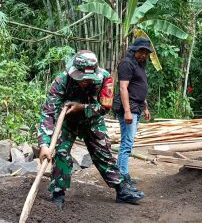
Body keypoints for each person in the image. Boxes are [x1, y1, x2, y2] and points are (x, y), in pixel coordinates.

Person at [38, 50, 144, 209]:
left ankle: (121, 190)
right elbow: (49, 112)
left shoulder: (105, 79)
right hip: (67, 122)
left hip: (93, 120)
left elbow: (105, 107)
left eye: (88, 80)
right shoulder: (61, 81)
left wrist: (82, 108)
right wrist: (44, 145)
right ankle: (58, 193)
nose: (84, 82)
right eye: (80, 79)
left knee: (103, 154)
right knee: (61, 152)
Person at [113, 37, 152, 192]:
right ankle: (122, 176)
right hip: (129, 108)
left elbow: (140, 88)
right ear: (134, 50)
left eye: (146, 52)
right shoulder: (126, 64)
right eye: (141, 51)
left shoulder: (139, 66)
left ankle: (121, 174)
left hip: (137, 107)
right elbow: (123, 88)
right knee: (127, 144)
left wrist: (146, 107)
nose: (143, 55)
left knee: (128, 143)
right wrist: (127, 111)